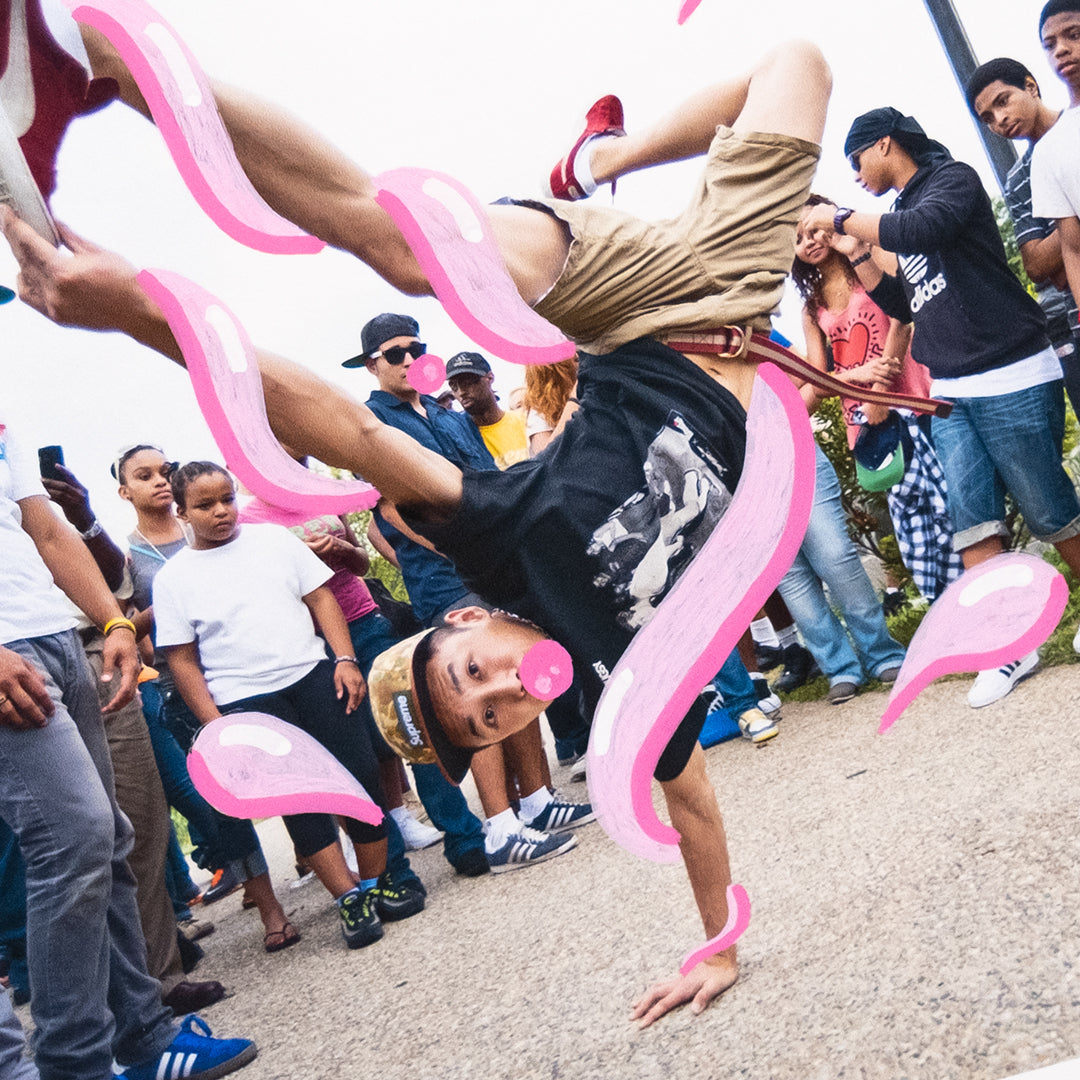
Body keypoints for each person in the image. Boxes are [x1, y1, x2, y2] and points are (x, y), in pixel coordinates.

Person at [0, 36, 831, 1026]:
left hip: (628, 301)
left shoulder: (503, 545)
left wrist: (144, 311)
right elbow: (692, 806)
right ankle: (595, 164)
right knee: (801, 68)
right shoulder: (628, 687)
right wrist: (719, 949)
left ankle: (123, 63)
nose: (497, 688)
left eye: (467, 672)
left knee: (408, 245)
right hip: (737, 304)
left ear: (465, 622)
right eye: (491, 717)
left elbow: (347, 426)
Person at [0, 417, 255, 1080]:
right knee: (75, 839)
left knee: (106, 839)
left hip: (55, 636)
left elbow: (46, 527)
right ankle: (74, 1064)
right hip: (6, 658)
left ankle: (145, 1038)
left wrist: (112, 621)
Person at [802, 107, 1080, 709]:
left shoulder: (951, 181)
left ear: (884, 144)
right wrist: (854, 251)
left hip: (1010, 369)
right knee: (970, 518)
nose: (854, 176)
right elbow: (908, 297)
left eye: (857, 161)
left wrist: (844, 218)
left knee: (1048, 506)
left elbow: (923, 230)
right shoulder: (899, 215)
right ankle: (1008, 647)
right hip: (950, 391)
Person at [350, 313, 593, 870]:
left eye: (416, 348)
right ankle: (500, 827)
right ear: (372, 365)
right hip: (445, 577)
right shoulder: (374, 420)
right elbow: (391, 511)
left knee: (515, 673)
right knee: (469, 690)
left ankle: (537, 802)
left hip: (493, 558)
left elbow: (483, 478)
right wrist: (460, 548)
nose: (410, 360)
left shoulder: (444, 412)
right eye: (395, 354)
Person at [152, 461, 427, 950]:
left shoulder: (274, 541)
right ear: (181, 512)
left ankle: (375, 881)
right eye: (204, 505)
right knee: (301, 802)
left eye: (226, 499)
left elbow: (323, 600)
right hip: (247, 702)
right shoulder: (174, 579)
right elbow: (183, 661)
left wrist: (344, 658)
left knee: (360, 777)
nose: (220, 512)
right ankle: (349, 899)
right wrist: (217, 727)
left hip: (314, 675)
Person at [116, 442, 297, 953]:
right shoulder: (128, 557)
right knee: (227, 804)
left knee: (287, 771)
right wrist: (159, 613)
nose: (158, 479)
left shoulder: (222, 524)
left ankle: (319, 857)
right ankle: (270, 907)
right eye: (143, 474)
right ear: (125, 490)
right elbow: (123, 629)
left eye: (165, 470)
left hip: (253, 671)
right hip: (184, 689)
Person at [792, 194, 963, 604]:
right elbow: (817, 379)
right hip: (866, 426)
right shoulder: (811, 307)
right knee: (911, 521)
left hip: (913, 401)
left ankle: (980, 592)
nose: (810, 241)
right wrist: (856, 383)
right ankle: (945, 605)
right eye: (797, 238)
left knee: (951, 507)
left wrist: (880, 393)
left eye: (814, 228)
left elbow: (904, 317)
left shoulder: (874, 257)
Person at [966, 56, 1080, 412]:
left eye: (1003, 102)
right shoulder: (1017, 179)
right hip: (1067, 320)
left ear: (1031, 86)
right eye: (987, 118)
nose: (999, 120)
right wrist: (1073, 221)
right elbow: (1035, 265)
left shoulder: (1075, 129)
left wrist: (1061, 254)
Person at [1031, 1, 1080, 320]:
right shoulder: (1049, 150)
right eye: (1049, 45)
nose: (1060, 50)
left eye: (1074, 34)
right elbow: (1073, 248)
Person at [446, 351, 530, 469]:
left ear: (489, 378)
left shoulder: (526, 421)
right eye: (454, 386)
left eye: (467, 382)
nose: (461, 392)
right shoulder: (463, 438)